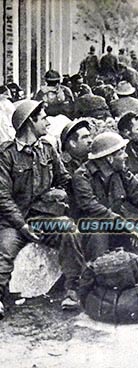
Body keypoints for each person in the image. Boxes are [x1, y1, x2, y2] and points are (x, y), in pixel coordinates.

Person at [0, 101, 84, 318]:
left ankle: (73, 291)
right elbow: (3, 197)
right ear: (30, 122)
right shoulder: (6, 155)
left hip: (41, 217)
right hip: (13, 222)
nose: (47, 121)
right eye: (43, 117)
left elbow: (65, 179)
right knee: (4, 252)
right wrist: (22, 225)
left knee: (68, 230)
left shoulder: (47, 149)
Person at [72, 132, 138, 261]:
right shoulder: (82, 176)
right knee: (96, 231)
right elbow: (93, 208)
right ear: (109, 158)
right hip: (92, 231)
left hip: (117, 226)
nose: (126, 156)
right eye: (121, 152)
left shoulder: (122, 172)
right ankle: (97, 274)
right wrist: (128, 226)